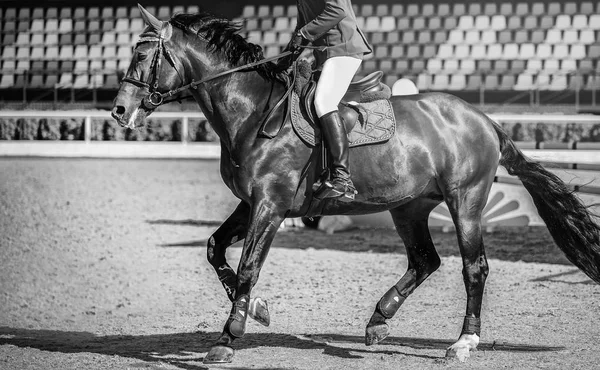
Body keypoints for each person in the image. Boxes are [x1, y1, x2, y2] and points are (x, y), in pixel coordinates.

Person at [285, 0, 372, 201]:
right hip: (325, 54)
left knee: (324, 102)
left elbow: (338, 10)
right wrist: (290, 52)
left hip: (344, 49)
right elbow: (302, 24)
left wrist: (304, 34)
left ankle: (343, 179)